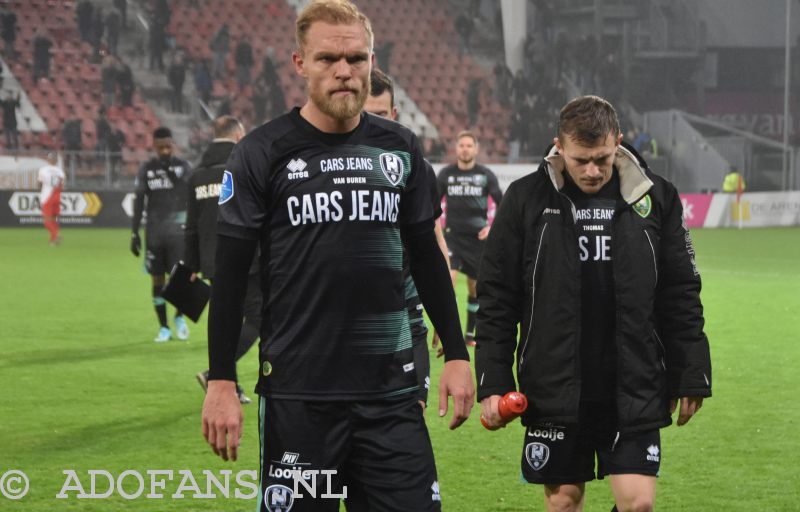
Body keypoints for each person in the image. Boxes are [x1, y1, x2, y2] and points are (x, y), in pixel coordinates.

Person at [201, 2, 474, 510]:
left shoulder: (401, 148)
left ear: (372, 60)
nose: (344, 71)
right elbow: (231, 275)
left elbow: (427, 257)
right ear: (300, 63)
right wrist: (221, 378)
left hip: (391, 393)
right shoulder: (262, 152)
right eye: (328, 58)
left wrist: (457, 353)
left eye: (356, 57)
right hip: (298, 397)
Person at [476, 95, 712, 512]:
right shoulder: (524, 199)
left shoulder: (657, 198)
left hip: (633, 381)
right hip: (555, 384)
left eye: (602, 158)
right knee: (564, 502)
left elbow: (680, 290)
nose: (592, 170)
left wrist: (691, 368)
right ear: (559, 147)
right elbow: (497, 297)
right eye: (581, 159)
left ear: (618, 143)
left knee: (638, 504)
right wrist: (493, 379)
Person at [363, 68, 452, 410]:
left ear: (395, 115)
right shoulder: (326, 170)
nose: (374, 122)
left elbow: (434, 243)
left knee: (411, 417)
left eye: (381, 115)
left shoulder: (414, 169)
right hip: (352, 323)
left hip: (407, 314)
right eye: (366, 114)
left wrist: (444, 317)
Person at [184, 116, 254, 405]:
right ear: (238, 135)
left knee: (230, 319)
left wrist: (191, 265)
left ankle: (231, 384)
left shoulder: (197, 175)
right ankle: (217, 372)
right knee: (258, 318)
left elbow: (191, 225)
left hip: (213, 261)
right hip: (248, 258)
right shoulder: (243, 166)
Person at [436, 130, 502, 346]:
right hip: (452, 238)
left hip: (477, 241)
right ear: (456, 149)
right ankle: (447, 332)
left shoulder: (485, 175)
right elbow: (432, 205)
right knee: (448, 281)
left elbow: (503, 205)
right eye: (461, 145)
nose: (465, 149)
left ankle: (469, 335)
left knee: (474, 288)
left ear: (476, 149)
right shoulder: (446, 174)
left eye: (469, 145)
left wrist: (492, 227)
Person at [130, 127, 193, 343]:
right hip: (155, 233)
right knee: (157, 279)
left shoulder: (184, 168)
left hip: (178, 232)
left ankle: (179, 317)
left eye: (168, 146)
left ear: (173, 145)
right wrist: (134, 233)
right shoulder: (147, 169)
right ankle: (164, 327)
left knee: (182, 279)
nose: (165, 151)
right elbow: (139, 201)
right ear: (154, 147)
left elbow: (193, 199)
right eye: (161, 147)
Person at [38, 153, 65, 246]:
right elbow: (62, 184)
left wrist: (41, 190)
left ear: (48, 160)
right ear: (56, 161)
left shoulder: (43, 170)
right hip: (57, 196)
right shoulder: (60, 171)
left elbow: (40, 183)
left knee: (46, 220)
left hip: (47, 196)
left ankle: (55, 236)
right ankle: (54, 238)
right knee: (54, 218)